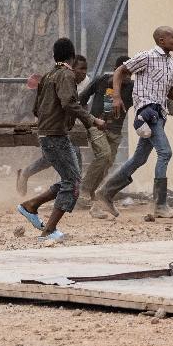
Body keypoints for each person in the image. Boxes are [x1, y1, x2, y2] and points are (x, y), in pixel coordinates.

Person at [95, 26, 173, 218]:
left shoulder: (171, 62)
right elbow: (120, 71)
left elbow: (171, 92)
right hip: (147, 113)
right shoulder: (146, 57)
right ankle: (160, 205)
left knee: (140, 158)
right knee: (165, 152)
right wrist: (116, 96)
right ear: (161, 41)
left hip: (160, 114)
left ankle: (105, 193)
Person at [16, 39, 105, 240]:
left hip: (48, 134)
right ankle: (48, 230)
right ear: (72, 57)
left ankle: (31, 206)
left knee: (70, 180)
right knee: (73, 183)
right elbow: (69, 103)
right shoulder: (66, 75)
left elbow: (36, 109)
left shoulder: (48, 76)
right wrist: (93, 120)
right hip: (56, 136)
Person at [15, 56, 90, 195]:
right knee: (55, 157)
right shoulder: (59, 80)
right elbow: (44, 105)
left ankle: (73, 189)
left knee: (64, 155)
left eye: (85, 69)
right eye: (81, 69)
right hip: (53, 126)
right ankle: (71, 189)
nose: (84, 73)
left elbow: (82, 103)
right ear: (71, 70)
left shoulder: (83, 82)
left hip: (65, 126)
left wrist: (84, 121)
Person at [81, 55, 133, 209]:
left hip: (115, 131)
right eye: (124, 73)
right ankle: (84, 189)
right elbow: (81, 99)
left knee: (107, 163)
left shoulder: (132, 87)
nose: (128, 77)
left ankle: (89, 193)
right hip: (96, 126)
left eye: (130, 74)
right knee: (103, 154)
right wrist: (85, 119)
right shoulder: (100, 81)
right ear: (117, 71)